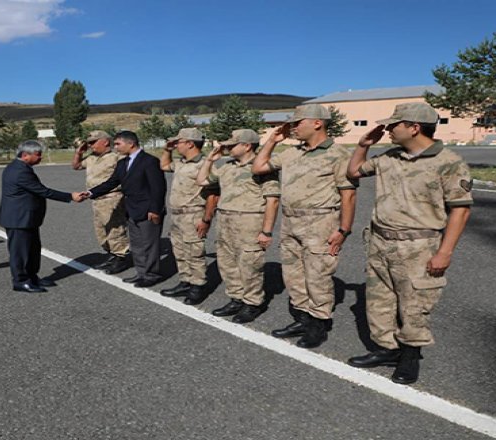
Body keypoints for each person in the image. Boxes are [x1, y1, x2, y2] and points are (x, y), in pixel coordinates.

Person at [346, 103, 472, 385]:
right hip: (380, 240)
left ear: (414, 127)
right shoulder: (390, 157)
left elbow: (460, 210)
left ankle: (410, 356)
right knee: (379, 300)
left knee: (414, 304)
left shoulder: (448, 162)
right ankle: (386, 349)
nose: (388, 130)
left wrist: (445, 252)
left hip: (418, 245)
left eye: (394, 125)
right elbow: (353, 173)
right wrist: (363, 145)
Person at [251, 103, 358, 349]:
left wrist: (343, 229)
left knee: (318, 275)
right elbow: (258, 167)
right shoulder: (291, 153)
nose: (293, 128)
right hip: (290, 221)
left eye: (298, 123)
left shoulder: (338, 155)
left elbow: (348, 195)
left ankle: (318, 324)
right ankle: (302, 317)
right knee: (293, 274)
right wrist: (272, 141)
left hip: (320, 221)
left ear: (317, 123)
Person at [197, 129, 280, 323]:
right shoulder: (226, 166)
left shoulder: (262, 167)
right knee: (227, 262)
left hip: (249, 221)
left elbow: (272, 200)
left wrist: (266, 231)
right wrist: (209, 160)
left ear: (247, 145)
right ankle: (236, 297)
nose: (227, 148)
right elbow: (201, 180)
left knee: (250, 264)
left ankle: (253, 303)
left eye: (232, 145)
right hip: (225, 219)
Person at [0, 140, 87, 293]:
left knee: (32, 250)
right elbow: (43, 191)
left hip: (27, 219)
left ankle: (32, 277)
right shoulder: (19, 171)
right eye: (38, 155)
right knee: (20, 253)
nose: (41, 158)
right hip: (18, 220)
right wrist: (70, 196)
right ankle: (20, 281)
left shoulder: (21, 167)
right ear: (26, 155)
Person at [86, 131, 167, 288]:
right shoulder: (123, 163)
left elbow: (158, 188)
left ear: (131, 143)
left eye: (118, 144)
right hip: (131, 209)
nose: (115, 147)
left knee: (149, 245)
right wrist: (90, 193)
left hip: (148, 210)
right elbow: (111, 182)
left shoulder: (149, 161)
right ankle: (141, 273)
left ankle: (151, 275)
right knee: (137, 245)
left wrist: (155, 210)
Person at [159, 128, 219, 304]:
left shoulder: (205, 165)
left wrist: (206, 219)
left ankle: (198, 286)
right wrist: (167, 150)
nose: (176, 144)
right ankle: (185, 281)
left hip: (193, 214)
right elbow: (163, 166)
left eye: (179, 141)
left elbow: (213, 195)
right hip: (177, 215)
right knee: (179, 251)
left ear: (190, 143)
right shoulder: (181, 162)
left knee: (195, 252)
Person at [72, 130, 132, 274]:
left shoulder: (116, 157)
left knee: (115, 230)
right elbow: (76, 166)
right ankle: (112, 254)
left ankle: (121, 257)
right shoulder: (92, 158)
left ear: (105, 141)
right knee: (101, 231)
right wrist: (79, 152)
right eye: (90, 142)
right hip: (96, 199)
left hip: (112, 198)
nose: (91, 145)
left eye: (94, 142)